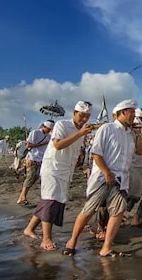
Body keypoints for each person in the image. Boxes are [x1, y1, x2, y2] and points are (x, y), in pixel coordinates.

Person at [63, 99, 142, 257]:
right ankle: (72, 241)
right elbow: (96, 154)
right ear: (122, 113)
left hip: (122, 178)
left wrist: (138, 134)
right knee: (88, 210)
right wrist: (107, 173)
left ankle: (107, 246)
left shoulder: (130, 134)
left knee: (118, 211)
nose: (134, 116)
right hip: (103, 177)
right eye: (131, 113)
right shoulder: (107, 128)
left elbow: (140, 152)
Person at [23, 101, 94, 250]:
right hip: (53, 168)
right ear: (74, 113)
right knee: (50, 200)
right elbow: (58, 145)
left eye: (87, 116)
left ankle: (29, 228)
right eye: (82, 116)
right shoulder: (62, 125)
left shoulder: (82, 131)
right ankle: (46, 238)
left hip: (66, 170)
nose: (84, 119)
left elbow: (76, 150)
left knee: (54, 200)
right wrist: (80, 133)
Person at [17, 121, 54, 205]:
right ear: (44, 126)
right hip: (32, 158)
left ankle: (22, 196)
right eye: (48, 129)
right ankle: (22, 197)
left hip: (41, 159)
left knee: (35, 178)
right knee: (30, 177)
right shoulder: (35, 132)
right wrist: (43, 143)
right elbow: (28, 145)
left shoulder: (49, 136)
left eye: (50, 129)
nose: (49, 130)